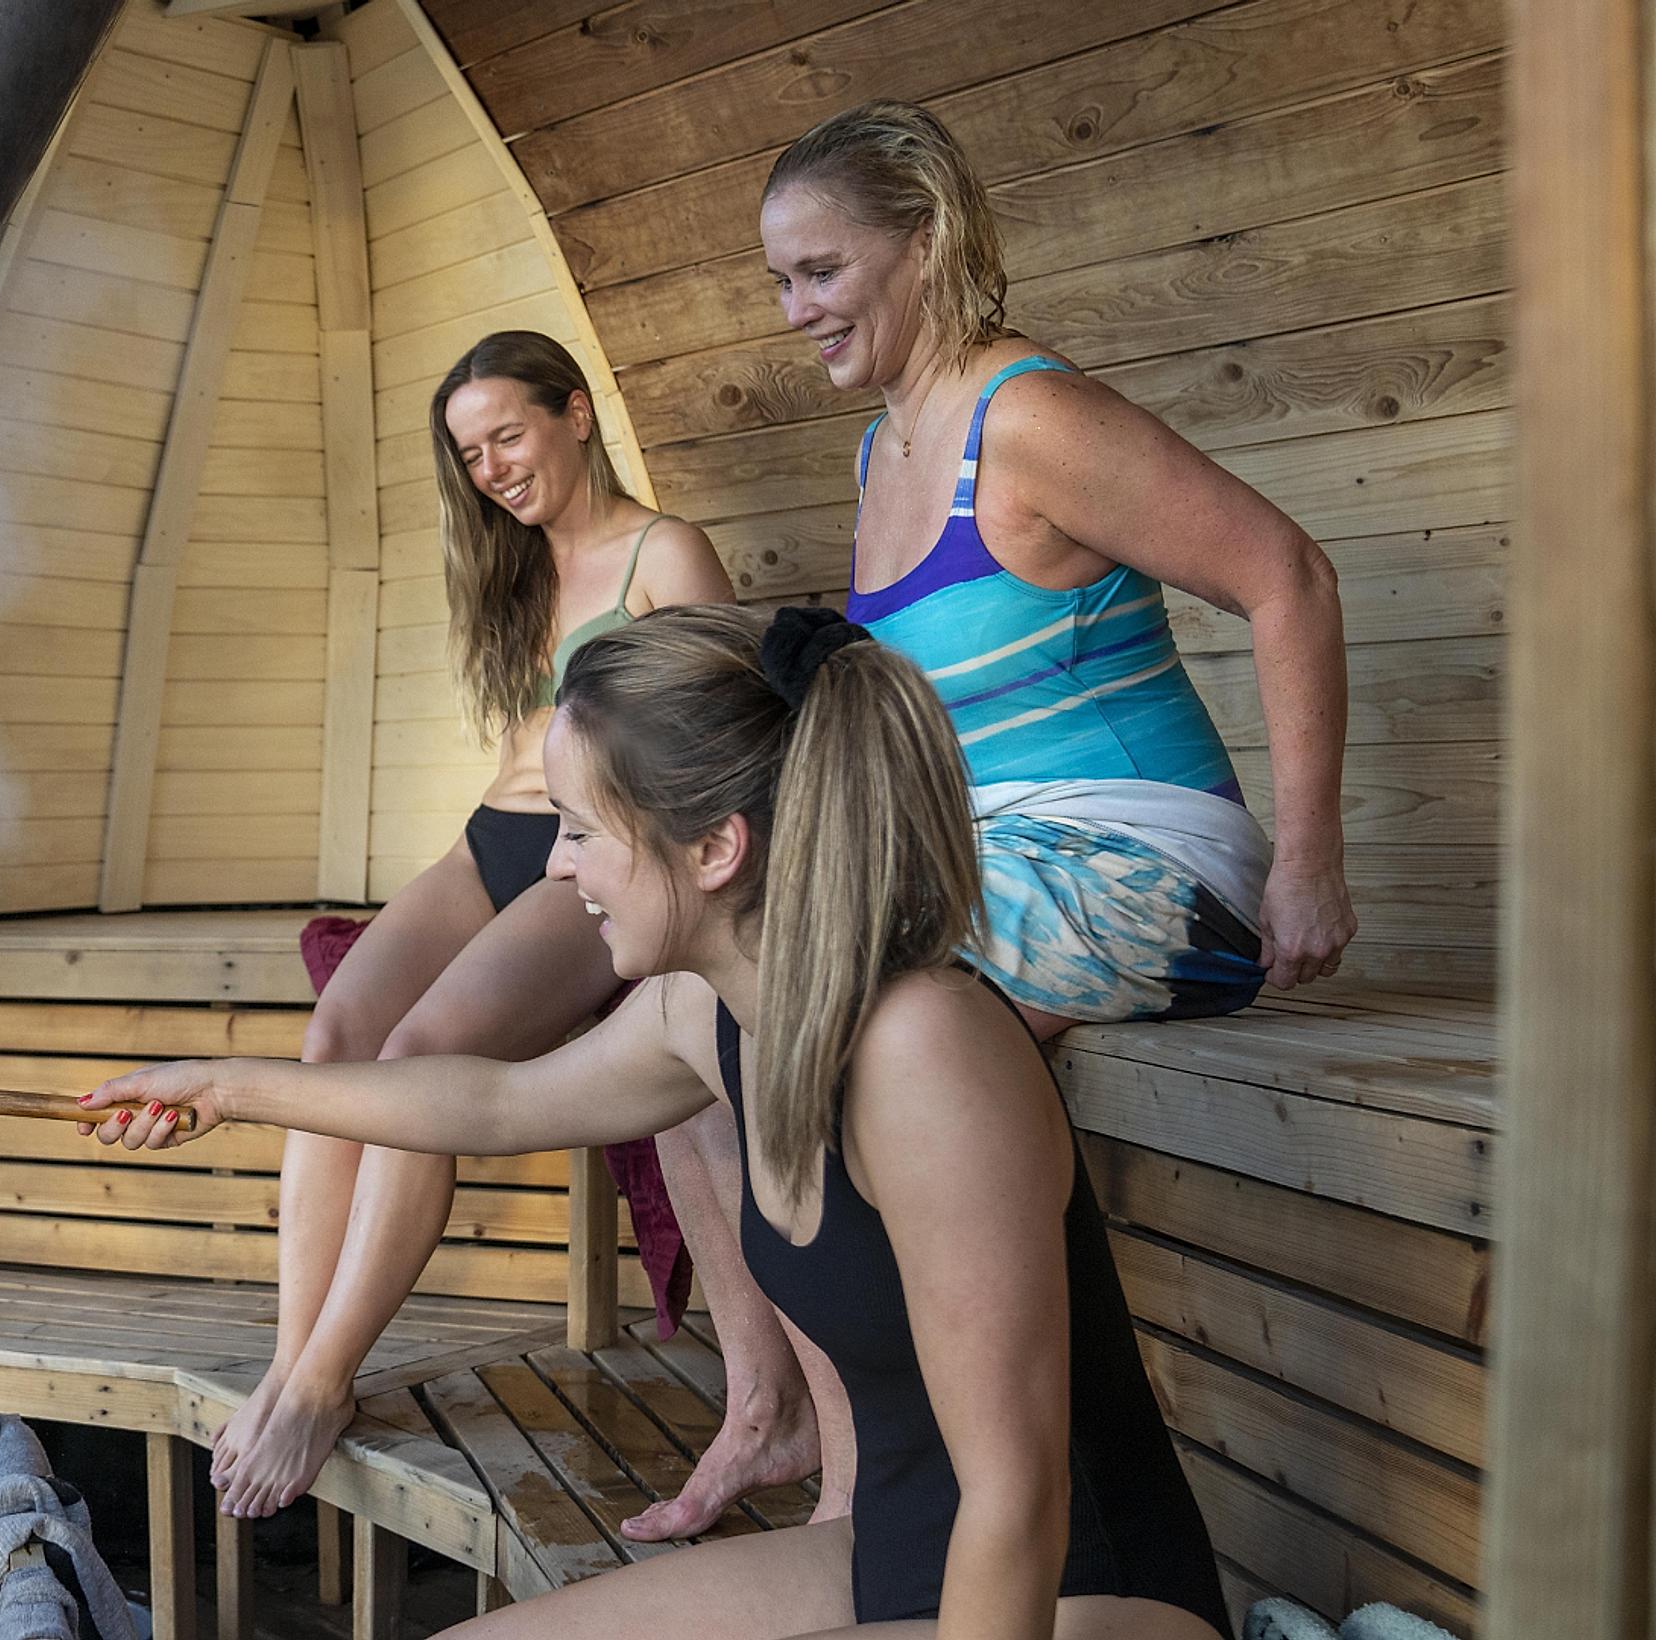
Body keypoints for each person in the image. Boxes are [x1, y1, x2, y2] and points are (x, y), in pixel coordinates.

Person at [80, 605, 1234, 1640]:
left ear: (715, 847)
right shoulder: (710, 1007)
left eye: (580, 829)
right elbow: (491, 1098)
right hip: (893, 1559)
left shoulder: (922, 1051)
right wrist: (224, 1086)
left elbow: (1017, 1495)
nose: (557, 867)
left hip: (1067, 1597)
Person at [632, 96, 1361, 1538]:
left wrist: (1310, 863)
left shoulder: (1027, 418)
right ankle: (793, 1418)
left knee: (834, 1022)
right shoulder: (881, 449)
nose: (794, 310)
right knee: (713, 992)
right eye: (780, 279)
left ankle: (932, 1491)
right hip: (987, 867)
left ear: (924, 241)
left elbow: (1289, 576)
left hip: (1149, 865)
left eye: (821, 271)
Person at [206, 331, 741, 1521]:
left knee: (417, 1056)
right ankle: (291, 1361)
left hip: (587, 854)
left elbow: (731, 730)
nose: (491, 468)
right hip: (487, 839)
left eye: (507, 434)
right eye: (470, 452)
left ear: (575, 413)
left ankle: (324, 1381)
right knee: (336, 1033)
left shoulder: (663, 551)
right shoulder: (517, 566)